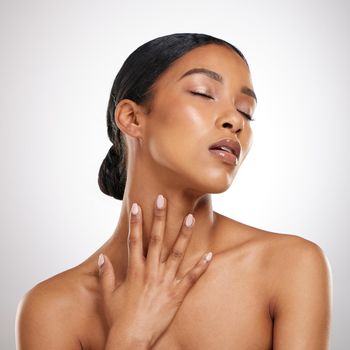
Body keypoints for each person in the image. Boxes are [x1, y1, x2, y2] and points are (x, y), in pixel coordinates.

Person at [15, 33, 332, 349]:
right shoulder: (51, 309)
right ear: (132, 118)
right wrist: (129, 337)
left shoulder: (288, 266)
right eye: (203, 93)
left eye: (246, 110)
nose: (236, 121)